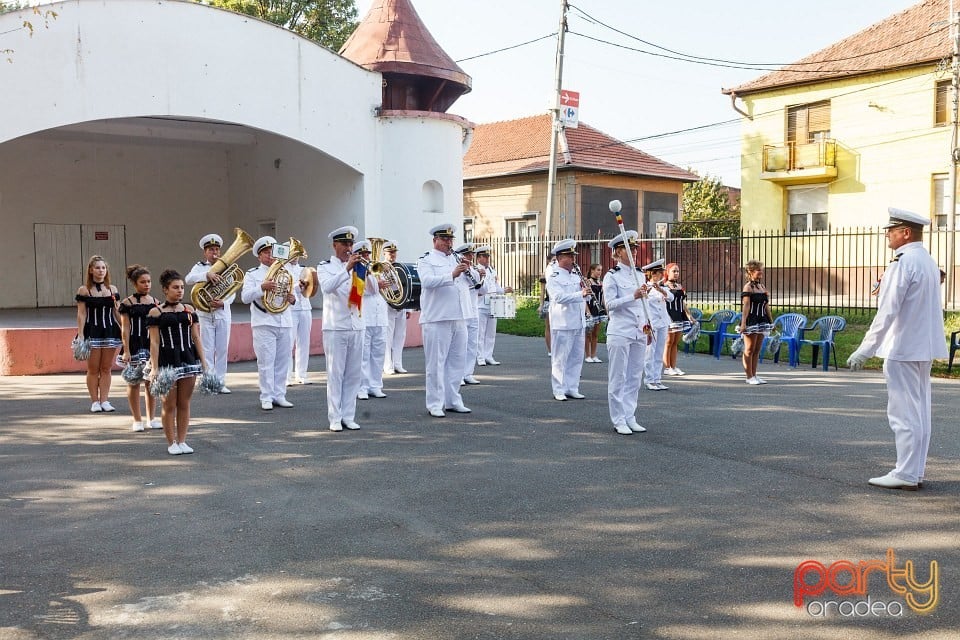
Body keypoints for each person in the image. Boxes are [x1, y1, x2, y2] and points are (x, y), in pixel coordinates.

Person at [847, 208, 948, 491]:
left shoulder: (903, 263)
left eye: (891, 231)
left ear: (905, 233)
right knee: (919, 413)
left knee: (903, 414)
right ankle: (914, 472)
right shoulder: (927, 261)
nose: (887, 235)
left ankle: (905, 473)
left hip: (903, 347)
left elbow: (888, 311)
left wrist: (865, 348)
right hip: (922, 347)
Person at [146, 269, 206, 455]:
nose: (180, 291)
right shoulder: (156, 312)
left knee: (184, 403)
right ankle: (171, 442)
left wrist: (204, 361)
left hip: (187, 359)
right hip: (166, 360)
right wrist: (154, 368)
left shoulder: (189, 310)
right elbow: (154, 342)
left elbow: (196, 337)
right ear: (165, 289)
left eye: (181, 287)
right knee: (169, 404)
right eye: (175, 287)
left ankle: (182, 441)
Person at [416, 223, 472, 417]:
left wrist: (470, 272)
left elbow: (474, 286)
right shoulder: (426, 260)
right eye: (444, 239)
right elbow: (427, 281)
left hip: (459, 316)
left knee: (457, 362)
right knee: (436, 364)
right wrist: (452, 274)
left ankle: (453, 400)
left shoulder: (456, 258)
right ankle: (434, 403)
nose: (449, 242)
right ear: (435, 241)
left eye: (450, 239)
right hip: (437, 318)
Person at [316, 226, 368, 430]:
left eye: (350, 244)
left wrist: (366, 270)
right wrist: (347, 268)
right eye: (344, 244)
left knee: (354, 374)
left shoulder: (358, 265)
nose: (348, 247)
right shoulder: (325, 266)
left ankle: (348, 415)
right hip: (336, 327)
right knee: (335, 374)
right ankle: (334, 417)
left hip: (356, 325)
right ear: (334, 245)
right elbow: (328, 287)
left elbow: (370, 290)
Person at [240, 236, 296, 411]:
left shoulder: (285, 271)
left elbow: (293, 295)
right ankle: (266, 396)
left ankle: (280, 395)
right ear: (259, 256)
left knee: (283, 361)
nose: (270, 255)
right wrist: (261, 288)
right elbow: (245, 297)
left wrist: (292, 298)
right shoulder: (252, 273)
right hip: (264, 322)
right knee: (266, 362)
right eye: (265, 252)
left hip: (284, 320)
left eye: (272, 251)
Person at [602, 230, 649, 434]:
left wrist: (648, 325)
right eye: (630, 248)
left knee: (635, 376)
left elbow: (643, 303)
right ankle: (618, 419)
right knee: (618, 377)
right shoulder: (611, 276)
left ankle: (630, 415)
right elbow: (609, 305)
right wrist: (633, 295)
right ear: (618, 252)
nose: (635, 252)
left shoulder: (640, 273)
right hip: (620, 330)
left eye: (636, 248)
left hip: (639, 330)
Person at [184, 233, 235, 394]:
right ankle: (209, 381)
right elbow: (188, 279)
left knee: (222, 349)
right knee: (206, 349)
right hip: (205, 314)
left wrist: (224, 303)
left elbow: (232, 290)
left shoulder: (226, 267)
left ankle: (220, 382)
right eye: (211, 249)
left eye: (217, 249)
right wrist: (206, 275)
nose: (215, 252)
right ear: (205, 252)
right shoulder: (200, 266)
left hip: (222, 313)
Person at [76, 255, 122, 413]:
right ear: (90, 270)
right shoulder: (84, 290)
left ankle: (105, 400)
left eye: (103, 267)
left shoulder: (113, 289)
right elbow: (81, 314)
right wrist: (80, 334)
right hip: (92, 332)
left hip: (110, 331)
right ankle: (94, 401)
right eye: (97, 268)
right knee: (93, 369)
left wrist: (124, 330)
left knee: (107, 368)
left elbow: (117, 312)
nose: (101, 270)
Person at [118, 264, 160, 431]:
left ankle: (152, 418)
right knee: (134, 382)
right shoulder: (127, 303)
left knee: (151, 382)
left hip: (151, 345)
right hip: (135, 345)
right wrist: (126, 350)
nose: (147, 285)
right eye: (143, 282)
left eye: (149, 281)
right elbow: (125, 327)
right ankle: (137, 420)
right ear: (135, 283)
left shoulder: (156, 302)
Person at [546, 239, 590, 401]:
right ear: (560, 257)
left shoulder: (575, 274)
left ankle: (572, 387)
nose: (573, 259)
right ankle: (558, 388)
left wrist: (586, 290)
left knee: (577, 357)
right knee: (560, 358)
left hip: (578, 320)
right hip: (563, 322)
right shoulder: (554, 275)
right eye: (570, 256)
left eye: (573, 256)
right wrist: (580, 294)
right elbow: (558, 297)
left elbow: (582, 297)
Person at [354, 239, 389, 400]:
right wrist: (374, 281)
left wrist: (384, 281)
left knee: (378, 353)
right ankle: (362, 386)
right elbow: (361, 292)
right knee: (364, 354)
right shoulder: (355, 270)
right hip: (365, 314)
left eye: (368, 253)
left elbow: (388, 286)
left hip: (380, 314)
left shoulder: (375, 268)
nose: (366, 256)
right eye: (363, 254)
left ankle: (375, 385)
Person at [736, 260, 773, 385]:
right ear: (750, 272)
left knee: (757, 349)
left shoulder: (762, 287)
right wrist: (743, 323)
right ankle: (749, 376)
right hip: (751, 319)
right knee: (749, 349)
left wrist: (771, 321)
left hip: (762, 320)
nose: (761, 272)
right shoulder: (748, 287)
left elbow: (766, 306)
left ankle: (755, 375)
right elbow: (746, 306)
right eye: (758, 270)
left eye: (761, 269)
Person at [475, 245, 513, 366]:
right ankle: (480, 357)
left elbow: (495, 286)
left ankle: (488, 355)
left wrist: (503, 290)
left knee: (491, 332)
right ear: (478, 257)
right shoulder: (476, 270)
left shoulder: (492, 270)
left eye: (488, 256)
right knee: (480, 332)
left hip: (493, 302)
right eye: (485, 256)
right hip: (481, 303)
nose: (487, 259)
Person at [285, 246, 316, 385]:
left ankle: (301, 375)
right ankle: (286, 376)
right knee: (288, 343)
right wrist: (297, 287)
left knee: (304, 343)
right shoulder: (282, 269)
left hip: (305, 307)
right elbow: (283, 288)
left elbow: (311, 286)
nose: (296, 257)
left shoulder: (304, 269)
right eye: (293, 254)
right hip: (291, 309)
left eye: (298, 254)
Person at [641, 259, 673, 391]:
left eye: (661, 273)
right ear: (652, 274)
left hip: (663, 322)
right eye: (659, 273)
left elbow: (671, 298)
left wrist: (660, 289)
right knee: (650, 352)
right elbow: (641, 302)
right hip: (651, 323)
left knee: (659, 351)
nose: (661, 275)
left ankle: (657, 378)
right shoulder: (645, 286)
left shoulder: (663, 287)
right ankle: (649, 379)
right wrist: (648, 291)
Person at [453, 242, 483, 386]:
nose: (470, 257)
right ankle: (458, 375)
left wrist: (481, 276)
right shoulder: (458, 269)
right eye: (467, 255)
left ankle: (468, 373)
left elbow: (483, 290)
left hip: (474, 310)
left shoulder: (475, 270)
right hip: (463, 311)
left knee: (472, 344)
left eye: (471, 255)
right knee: (460, 345)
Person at [662, 262, 697, 376]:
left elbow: (682, 303)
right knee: (669, 342)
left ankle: (673, 366)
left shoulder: (679, 286)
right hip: (669, 315)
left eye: (677, 271)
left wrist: (689, 315)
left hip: (679, 315)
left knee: (675, 343)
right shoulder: (664, 286)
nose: (676, 273)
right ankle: (667, 367)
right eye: (674, 271)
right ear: (667, 272)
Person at [381, 240, 410, 375]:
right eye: (390, 252)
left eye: (394, 252)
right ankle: (388, 365)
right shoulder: (379, 267)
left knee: (400, 336)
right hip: (388, 306)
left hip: (401, 306)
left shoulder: (399, 267)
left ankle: (398, 363)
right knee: (388, 336)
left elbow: (405, 286)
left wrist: (408, 307)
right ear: (384, 253)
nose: (393, 255)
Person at [584, 263, 606, 363]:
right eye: (598, 270)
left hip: (598, 310)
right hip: (590, 309)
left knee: (595, 334)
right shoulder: (587, 282)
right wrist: (587, 312)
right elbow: (584, 299)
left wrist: (606, 310)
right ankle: (587, 355)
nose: (599, 272)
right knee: (588, 334)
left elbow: (603, 298)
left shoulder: (601, 283)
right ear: (592, 270)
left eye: (601, 270)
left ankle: (594, 355)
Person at [539, 256, 556, 356]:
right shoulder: (545, 274)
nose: (555, 261)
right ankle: (550, 349)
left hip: (558, 302)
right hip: (548, 301)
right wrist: (541, 305)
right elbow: (542, 292)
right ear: (549, 261)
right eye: (553, 260)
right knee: (548, 326)